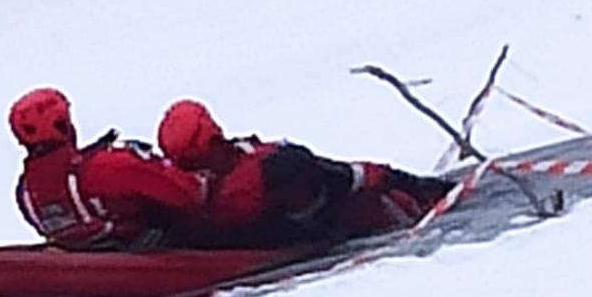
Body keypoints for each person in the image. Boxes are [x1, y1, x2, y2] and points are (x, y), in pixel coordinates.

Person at [156, 99, 457, 248]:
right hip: (330, 218)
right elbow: (340, 178)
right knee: (367, 183)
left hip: (311, 210)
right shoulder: (257, 170)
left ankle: (415, 190)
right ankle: (420, 191)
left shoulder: (193, 186)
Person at [9, 87, 209, 251]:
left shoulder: (25, 195)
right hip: (152, 252)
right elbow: (189, 194)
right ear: (63, 125)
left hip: (90, 263)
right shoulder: (106, 168)